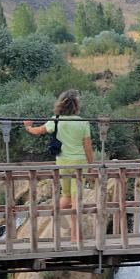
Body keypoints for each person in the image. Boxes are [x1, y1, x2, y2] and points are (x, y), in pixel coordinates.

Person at [24, 89, 94, 243]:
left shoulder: (55, 120)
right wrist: (91, 165)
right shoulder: (82, 122)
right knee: (76, 200)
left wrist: (28, 127)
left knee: (66, 196)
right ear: (76, 105)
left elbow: (38, 131)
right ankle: (75, 238)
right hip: (80, 163)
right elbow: (88, 147)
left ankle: (56, 212)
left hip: (62, 163)